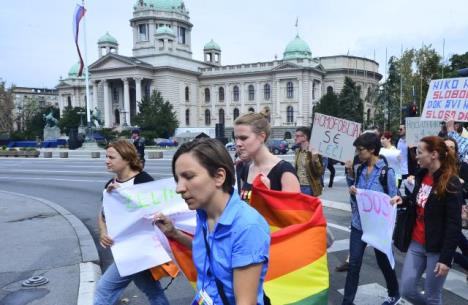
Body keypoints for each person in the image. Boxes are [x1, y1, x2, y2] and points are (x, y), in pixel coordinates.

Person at [154, 138, 270, 305]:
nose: (179, 188)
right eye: (178, 179)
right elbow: (214, 253)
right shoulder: (203, 213)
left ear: (219, 176)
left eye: (189, 176)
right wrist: (175, 234)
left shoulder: (247, 227)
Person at [94, 140, 169, 305]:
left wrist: (125, 195)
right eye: (106, 156)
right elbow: (102, 214)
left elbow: (157, 214)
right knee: (152, 291)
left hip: (138, 250)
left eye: (112, 157)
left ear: (127, 159)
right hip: (124, 249)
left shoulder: (143, 181)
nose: (107, 160)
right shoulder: (110, 185)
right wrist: (103, 232)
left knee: (104, 290)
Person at [392, 136, 463, 305]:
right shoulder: (421, 175)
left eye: (420, 152)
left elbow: (454, 225)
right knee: (406, 290)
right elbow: (419, 200)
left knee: (433, 296)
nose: (416, 156)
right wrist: (404, 200)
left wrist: (445, 259)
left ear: (434, 154)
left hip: (437, 249)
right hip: (416, 242)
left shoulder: (451, 182)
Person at [341, 132, 400, 305]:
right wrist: (351, 182)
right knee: (354, 264)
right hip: (359, 224)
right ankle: (347, 301)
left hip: (378, 227)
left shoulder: (385, 172)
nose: (358, 154)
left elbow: (393, 200)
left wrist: (391, 204)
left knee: (383, 262)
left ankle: (394, 292)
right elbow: (355, 199)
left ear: (372, 150)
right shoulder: (359, 169)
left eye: (361, 150)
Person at [233, 112, 300, 201]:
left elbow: (293, 213)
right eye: (236, 138)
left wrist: (266, 195)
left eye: (243, 138)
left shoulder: (284, 171)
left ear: (262, 136)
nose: (238, 144)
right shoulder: (246, 168)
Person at [294, 126, 323, 196]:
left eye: (297, 136)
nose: (295, 138)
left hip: (309, 187)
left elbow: (319, 172)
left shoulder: (313, 151)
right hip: (298, 186)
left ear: (305, 137)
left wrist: (315, 160)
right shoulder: (298, 151)